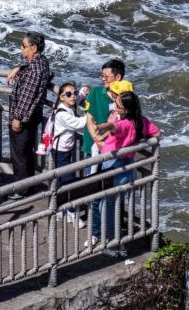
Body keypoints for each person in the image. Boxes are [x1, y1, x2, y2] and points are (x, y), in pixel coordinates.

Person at [87, 91, 160, 257]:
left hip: (113, 166)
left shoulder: (125, 124)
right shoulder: (140, 121)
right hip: (126, 167)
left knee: (107, 206)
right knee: (110, 205)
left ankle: (114, 244)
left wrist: (100, 126)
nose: (115, 107)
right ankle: (111, 240)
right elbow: (157, 133)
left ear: (126, 109)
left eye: (118, 106)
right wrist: (138, 142)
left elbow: (114, 127)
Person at [5, 32, 52, 198]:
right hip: (33, 116)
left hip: (24, 118)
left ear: (33, 48)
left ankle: (21, 190)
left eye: (23, 46)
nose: (21, 49)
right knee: (26, 152)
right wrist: (19, 67)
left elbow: (26, 97)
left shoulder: (33, 71)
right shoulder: (42, 63)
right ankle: (29, 185)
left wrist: (17, 118)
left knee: (20, 154)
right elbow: (34, 68)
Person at [46, 82, 90, 228]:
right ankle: (71, 211)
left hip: (65, 149)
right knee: (68, 181)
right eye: (69, 94)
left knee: (59, 179)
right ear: (61, 97)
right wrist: (92, 112)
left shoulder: (68, 105)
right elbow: (80, 123)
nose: (73, 97)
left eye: (74, 93)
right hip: (61, 151)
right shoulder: (62, 115)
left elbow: (77, 100)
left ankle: (58, 208)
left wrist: (82, 93)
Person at [80, 59, 124, 168]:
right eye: (102, 75)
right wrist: (97, 140)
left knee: (110, 182)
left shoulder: (126, 97)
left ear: (118, 77)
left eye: (106, 76)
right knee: (90, 180)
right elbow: (89, 118)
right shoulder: (95, 92)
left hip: (114, 148)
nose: (103, 79)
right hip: (92, 145)